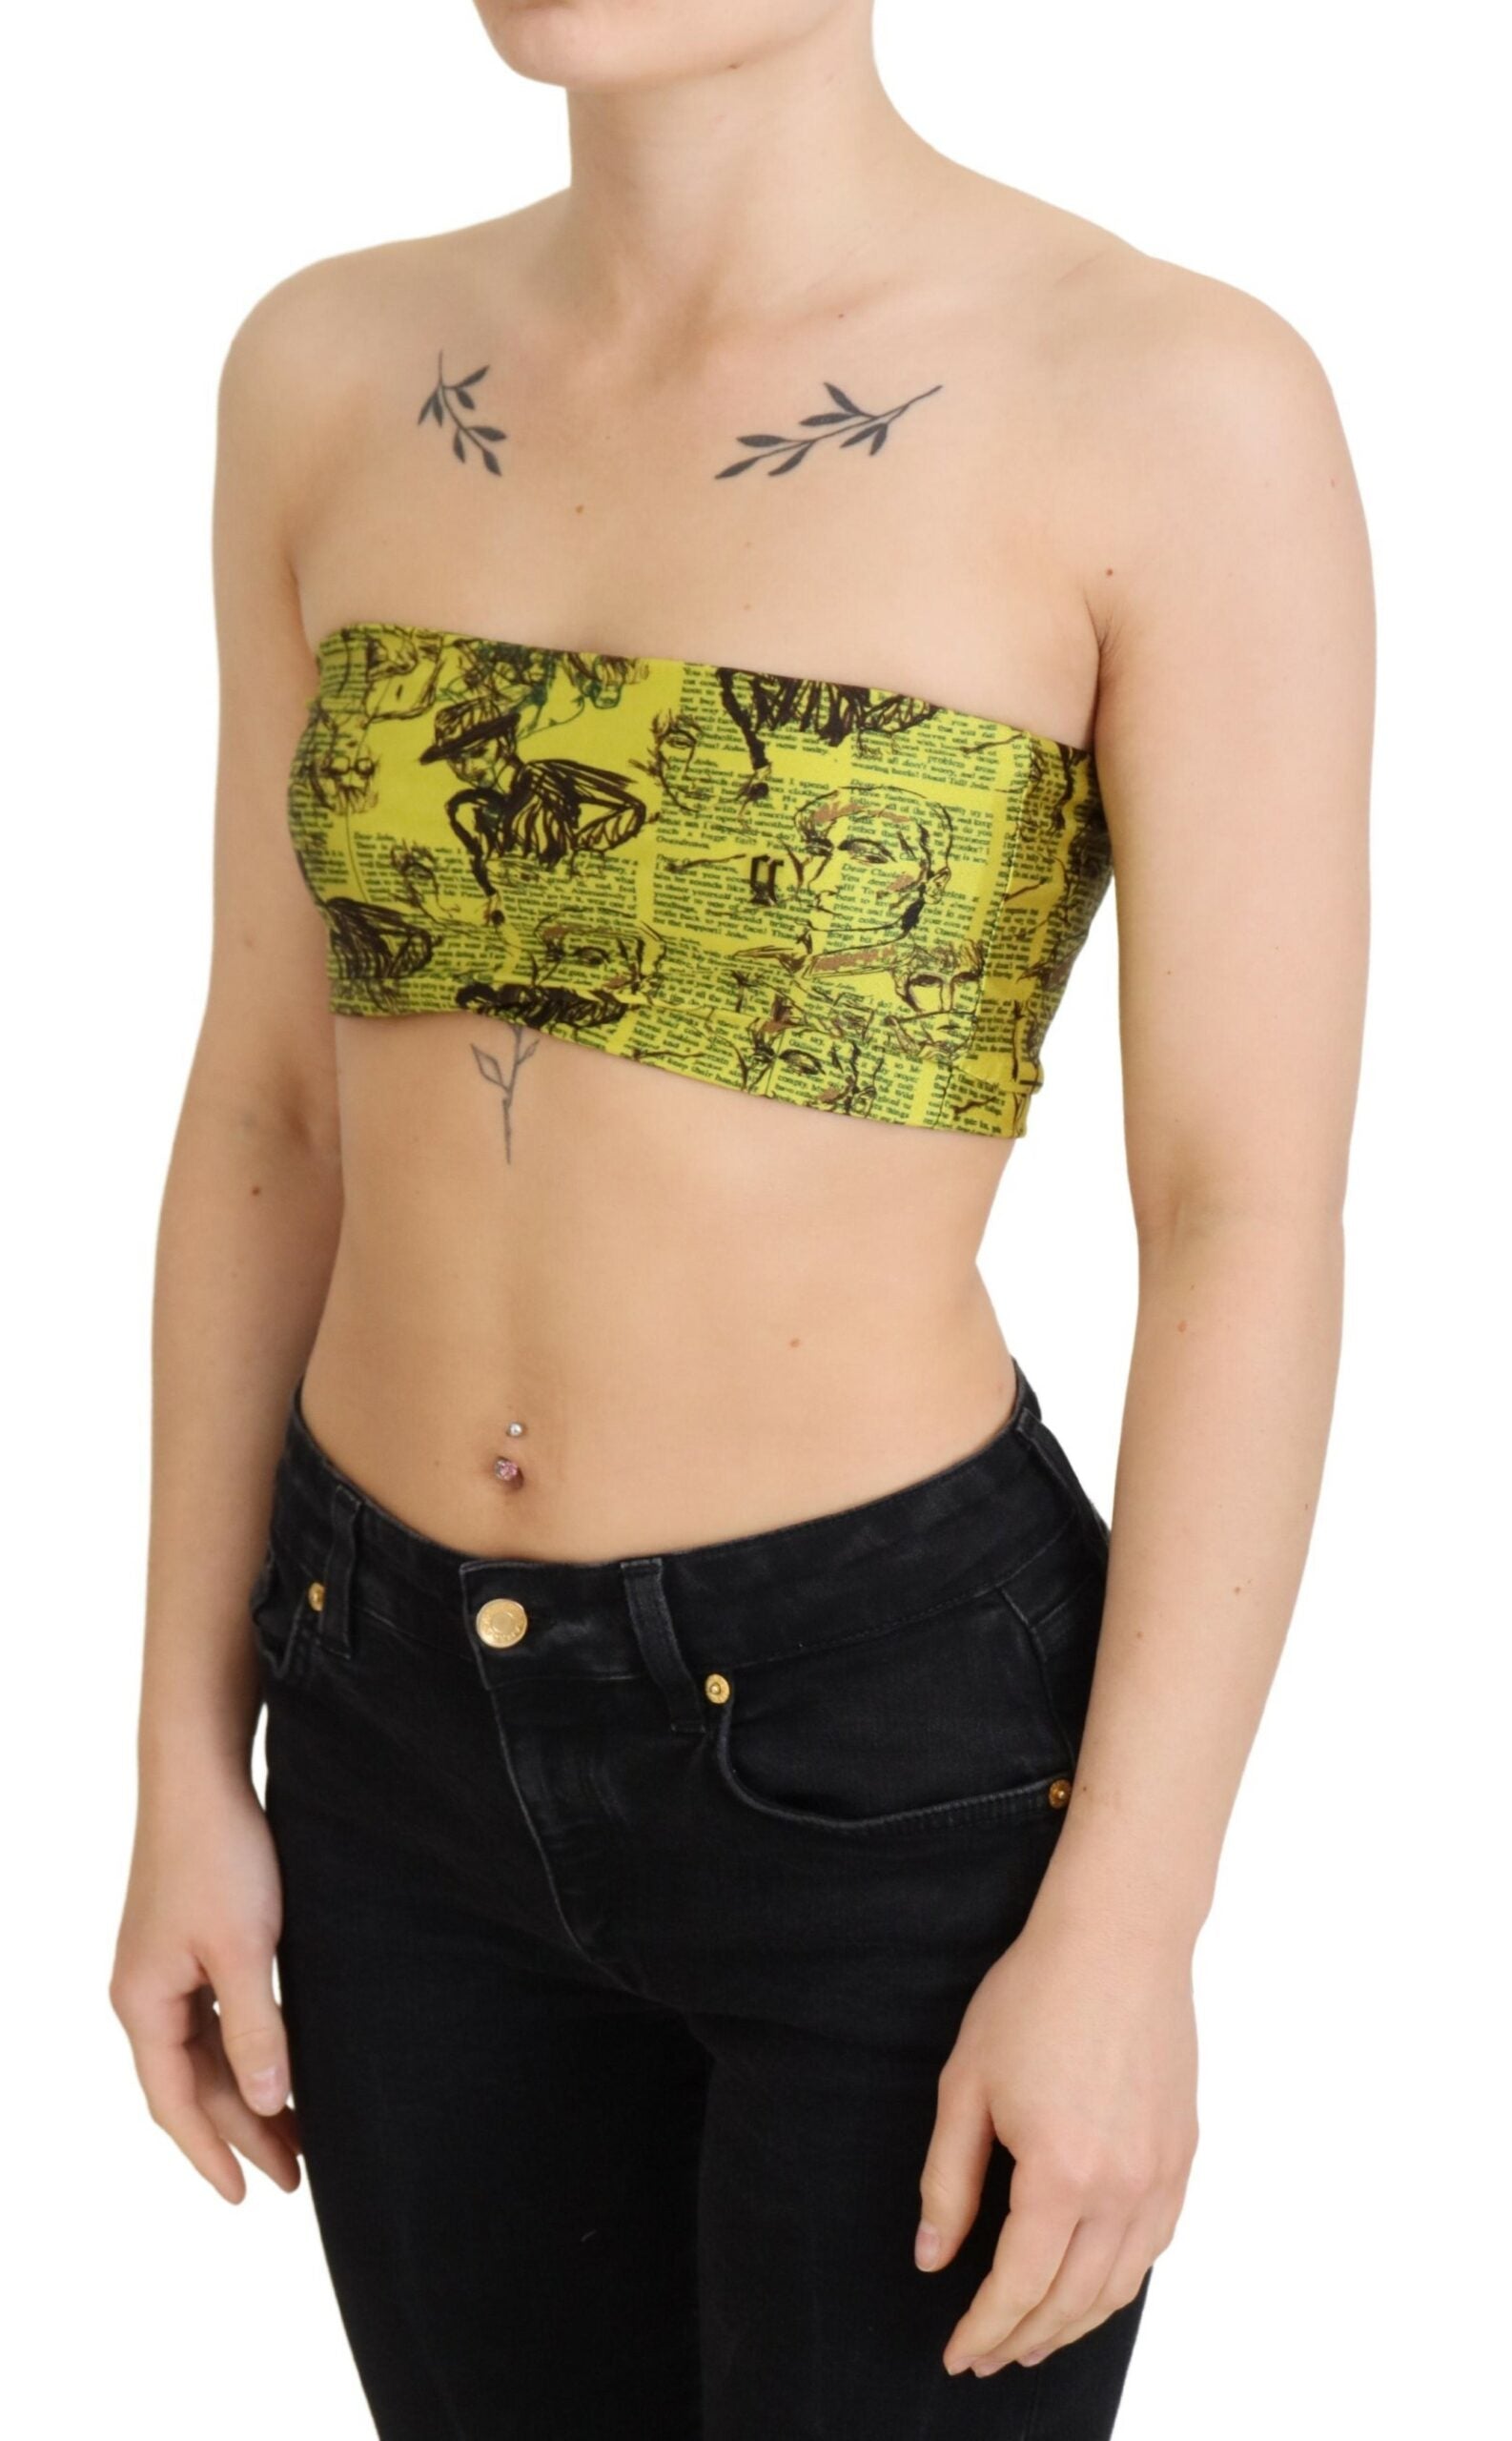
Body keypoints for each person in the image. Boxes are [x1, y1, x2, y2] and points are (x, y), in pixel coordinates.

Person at [108, 2, 1374, 2433]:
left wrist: (1132, 1916)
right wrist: (187, 1741)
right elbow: (267, 1102)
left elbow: (1242, 1212)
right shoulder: (327, 366)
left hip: (883, 1754)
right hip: (383, 1722)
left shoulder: (1165, 398)